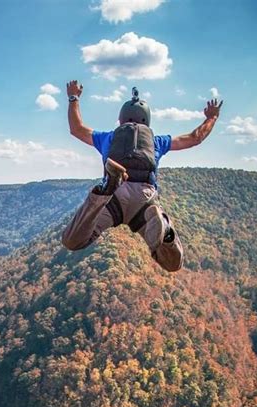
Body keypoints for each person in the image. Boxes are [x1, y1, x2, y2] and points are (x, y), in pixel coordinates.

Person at [61, 81, 223, 272]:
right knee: (172, 264)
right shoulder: (157, 142)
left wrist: (74, 98)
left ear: (120, 120)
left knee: (72, 240)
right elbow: (195, 138)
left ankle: (103, 192)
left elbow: (77, 128)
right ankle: (166, 232)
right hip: (144, 201)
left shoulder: (107, 138)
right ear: (147, 121)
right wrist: (211, 118)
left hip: (114, 197)